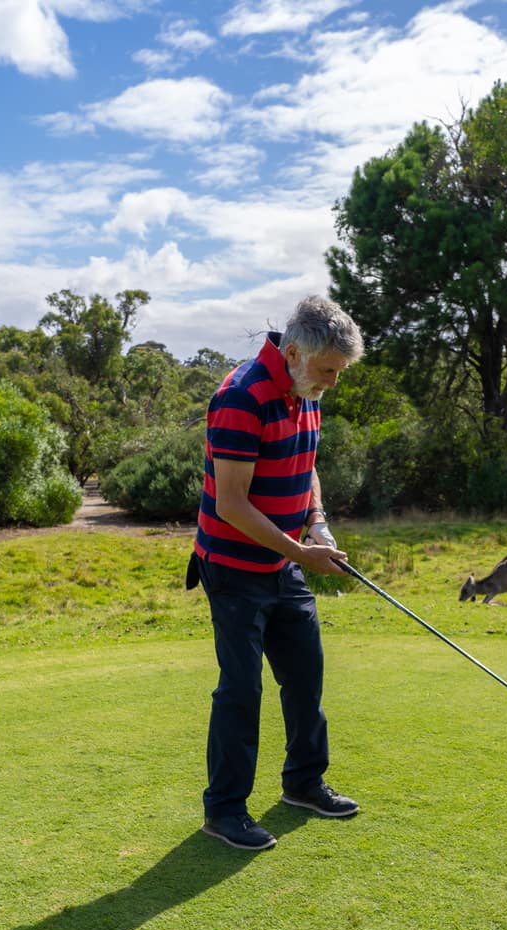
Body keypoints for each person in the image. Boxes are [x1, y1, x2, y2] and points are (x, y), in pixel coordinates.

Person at [188, 295, 365, 850]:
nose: (332, 384)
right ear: (293, 352)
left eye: (339, 372)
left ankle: (304, 784)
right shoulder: (242, 398)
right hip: (235, 569)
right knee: (241, 690)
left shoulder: (304, 388)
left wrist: (318, 526)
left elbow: (306, 464)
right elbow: (232, 506)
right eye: (328, 371)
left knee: (305, 676)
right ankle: (224, 811)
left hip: (286, 560)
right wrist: (300, 553)